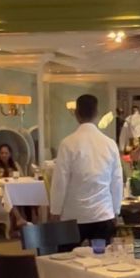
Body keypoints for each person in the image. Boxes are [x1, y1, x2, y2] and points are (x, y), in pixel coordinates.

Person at [50, 93, 123, 243]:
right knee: (101, 257)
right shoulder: (110, 144)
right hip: (103, 213)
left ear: (76, 114)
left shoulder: (67, 143)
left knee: (68, 256)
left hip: (73, 213)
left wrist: (55, 210)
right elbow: (116, 181)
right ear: (96, 113)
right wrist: (116, 210)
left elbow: (60, 181)